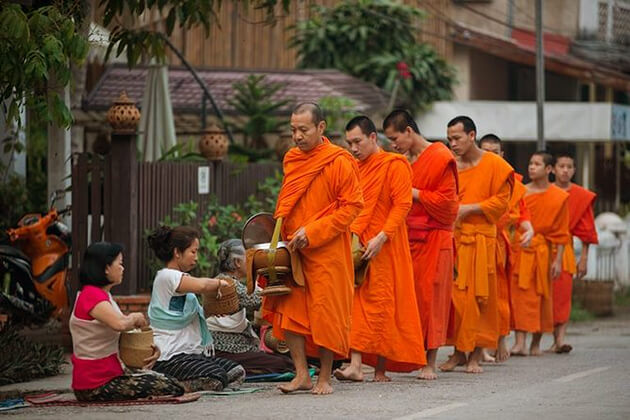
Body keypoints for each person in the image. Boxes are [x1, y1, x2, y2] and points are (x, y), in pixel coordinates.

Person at [262, 102, 363, 395]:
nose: (297, 136)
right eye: (293, 130)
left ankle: (325, 378)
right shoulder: (292, 159)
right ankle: (302, 374)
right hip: (294, 247)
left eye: (303, 130)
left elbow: (352, 207)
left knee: (325, 314)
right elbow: (288, 201)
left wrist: (314, 231)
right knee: (290, 312)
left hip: (327, 250)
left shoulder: (339, 161)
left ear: (321, 128)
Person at [333, 116, 425, 383]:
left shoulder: (394, 164)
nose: (353, 148)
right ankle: (357, 364)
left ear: (373, 138)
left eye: (358, 141)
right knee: (357, 304)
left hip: (387, 244)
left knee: (383, 303)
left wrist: (382, 237)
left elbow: (402, 204)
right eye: (349, 143)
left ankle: (379, 369)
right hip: (357, 244)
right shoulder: (353, 168)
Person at [382, 109, 458, 380]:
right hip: (406, 239)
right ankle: (408, 356)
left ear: (409, 132)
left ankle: (430, 361)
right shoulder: (402, 162)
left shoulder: (440, 157)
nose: (393, 145)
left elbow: (449, 207)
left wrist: (413, 194)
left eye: (395, 138)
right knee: (408, 300)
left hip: (435, 239)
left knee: (432, 299)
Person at [440, 116, 514, 374]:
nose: (453, 143)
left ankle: (475, 354)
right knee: (457, 300)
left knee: (481, 299)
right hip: (458, 241)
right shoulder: (452, 166)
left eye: (457, 138)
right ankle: (459, 352)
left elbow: (502, 203)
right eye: (450, 138)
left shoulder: (494, 164)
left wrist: (469, 209)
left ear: (472, 135)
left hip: (483, 242)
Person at [70, 242, 184, 402]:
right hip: (95, 383)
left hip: (108, 375)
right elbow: (120, 325)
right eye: (120, 264)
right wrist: (135, 317)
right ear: (106, 268)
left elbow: (122, 333)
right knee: (170, 387)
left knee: (168, 381)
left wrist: (149, 350)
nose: (122, 268)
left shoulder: (102, 296)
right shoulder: (91, 295)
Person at [147, 226, 246, 392]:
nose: (197, 257)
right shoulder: (166, 276)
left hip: (190, 354)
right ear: (177, 252)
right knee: (216, 376)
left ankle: (190, 379)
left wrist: (211, 312)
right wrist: (223, 283)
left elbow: (189, 314)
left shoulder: (179, 279)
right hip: (170, 355)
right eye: (193, 252)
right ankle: (169, 384)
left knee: (236, 371)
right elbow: (204, 285)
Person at [479, 134, 534, 362]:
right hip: (476, 240)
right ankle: (478, 346)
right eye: (486, 151)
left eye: (495, 152)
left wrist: (529, 229)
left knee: (500, 295)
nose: (490, 156)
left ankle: (500, 339)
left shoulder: (513, 182)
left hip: (499, 245)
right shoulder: (474, 176)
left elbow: (522, 213)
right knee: (477, 295)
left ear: (502, 155)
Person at [510, 152, 570, 356]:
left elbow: (562, 231)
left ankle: (536, 342)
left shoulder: (559, 197)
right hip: (523, 249)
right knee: (520, 296)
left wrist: (558, 260)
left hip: (544, 251)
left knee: (542, 298)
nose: (531, 167)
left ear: (549, 169)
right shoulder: (521, 192)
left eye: (537, 164)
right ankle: (519, 342)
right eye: (530, 163)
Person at [207, 239, 294, 374]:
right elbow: (261, 298)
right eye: (249, 258)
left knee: (283, 359)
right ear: (237, 262)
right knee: (282, 363)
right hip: (225, 349)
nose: (252, 263)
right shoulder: (228, 284)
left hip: (235, 347)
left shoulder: (226, 280)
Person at [551, 153, 598, 353]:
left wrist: (583, 259)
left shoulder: (581, 195)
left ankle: (560, 340)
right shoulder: (543, 190)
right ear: (552, 169)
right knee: (540, 296)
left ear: (574, 170)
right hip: (541, 248)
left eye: (569, 167)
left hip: (566, 249)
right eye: (561, 166)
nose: (565, 170)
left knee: (562, 295)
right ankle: (530, 341)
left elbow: (586, 231)